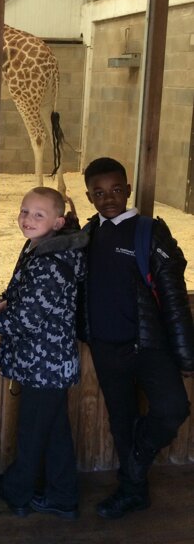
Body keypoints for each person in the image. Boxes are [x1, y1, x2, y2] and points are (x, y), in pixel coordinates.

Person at [81, 157, 194, 519]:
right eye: (99, 192)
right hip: (105, 348)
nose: (109, 198)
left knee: (173, 409)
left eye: (116, 190)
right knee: (121, 419)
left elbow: (173, 298)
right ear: (89, 196)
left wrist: (185, 354)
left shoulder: (149, 232)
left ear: (128, 190)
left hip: (148, 345)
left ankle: (135, 462)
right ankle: (133, 491)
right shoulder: (87, 235)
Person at [0, 187, 86, 521]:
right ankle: (63, 496)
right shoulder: (43, 248)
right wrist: (9, 301)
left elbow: (29, 317)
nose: (27, 219)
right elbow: (27, 296)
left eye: (38, 215)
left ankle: (18, 492)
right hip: (49, 363)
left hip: (44, 363)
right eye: (24, 211)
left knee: (32, 432)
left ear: (58, 222)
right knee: (55, 431)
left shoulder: (51, 261)